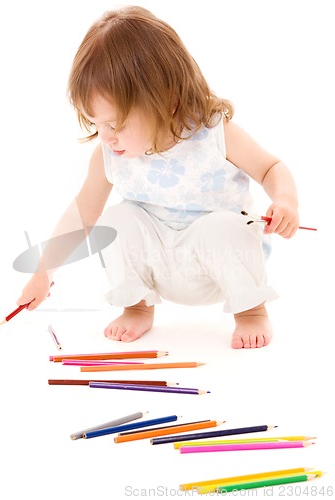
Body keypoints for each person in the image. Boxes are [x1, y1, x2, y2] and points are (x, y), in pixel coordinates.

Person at [17, 5, 299, 349]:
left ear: (169, 101)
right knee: (117, 219)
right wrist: (43, 273)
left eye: (116, 125)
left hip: (220, 267)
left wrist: (284, 200)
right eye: (97, 124)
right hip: (159, 267)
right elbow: (80, 216)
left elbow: (271, 168)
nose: (106, 137)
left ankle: (252, 311)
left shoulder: (214, 134)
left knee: (224, 227)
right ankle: (136, 305)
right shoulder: (109, 155)